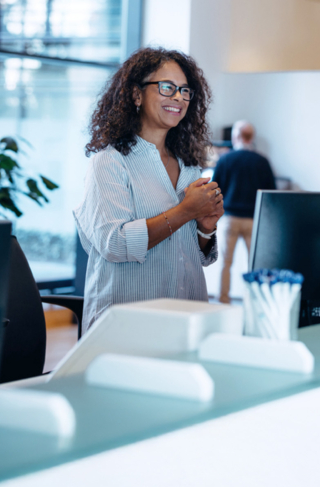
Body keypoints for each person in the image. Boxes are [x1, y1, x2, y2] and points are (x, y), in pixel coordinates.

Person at [74, 47, 224, 333]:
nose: (179, 97)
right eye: (167, 88)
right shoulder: (109, 162)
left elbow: (194, 256)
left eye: (185, 91)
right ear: (136, 94)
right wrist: (185, 211)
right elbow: (114, 244)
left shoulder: (189, 167)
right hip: (126, 325)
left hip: (187, 319)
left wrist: (205, 229)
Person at [211, 120, 276, 303]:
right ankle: (254, 299)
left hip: (230, 218)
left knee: (225, 263)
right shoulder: (262, 161)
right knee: (254, 263)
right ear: (252, 137)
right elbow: (271, 193)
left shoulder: (225, 159)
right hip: (253, 220)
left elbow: (216, 189)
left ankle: (223, 299)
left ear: (235, 136)